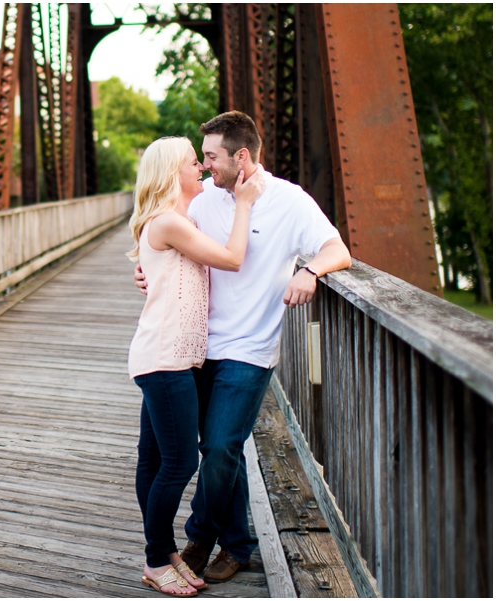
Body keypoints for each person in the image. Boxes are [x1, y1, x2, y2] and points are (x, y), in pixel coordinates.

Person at [135, 111, 352, 583]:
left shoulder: (289, 200)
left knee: (219, 446)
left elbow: (339, 250)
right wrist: (148, 272)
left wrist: (310, 270)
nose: (205, 166)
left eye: (211, 156)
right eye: (201, 159)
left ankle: (200, 535)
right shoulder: (203, 196)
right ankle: (236, 544)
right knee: (216, 452)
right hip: (193, 347)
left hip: (250, 348)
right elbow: (168, 240)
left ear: (242, 156)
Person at [128, 136, 267, 597]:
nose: (202, 171)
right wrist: (244, 202)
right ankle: (154, 559)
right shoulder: (169, 221)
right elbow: (230, 258)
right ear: (174, 174)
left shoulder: (175, 220)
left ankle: (164, 552)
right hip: (166, 359)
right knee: (181, 461)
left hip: (167, 357)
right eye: (194, 164)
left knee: (154, 461)